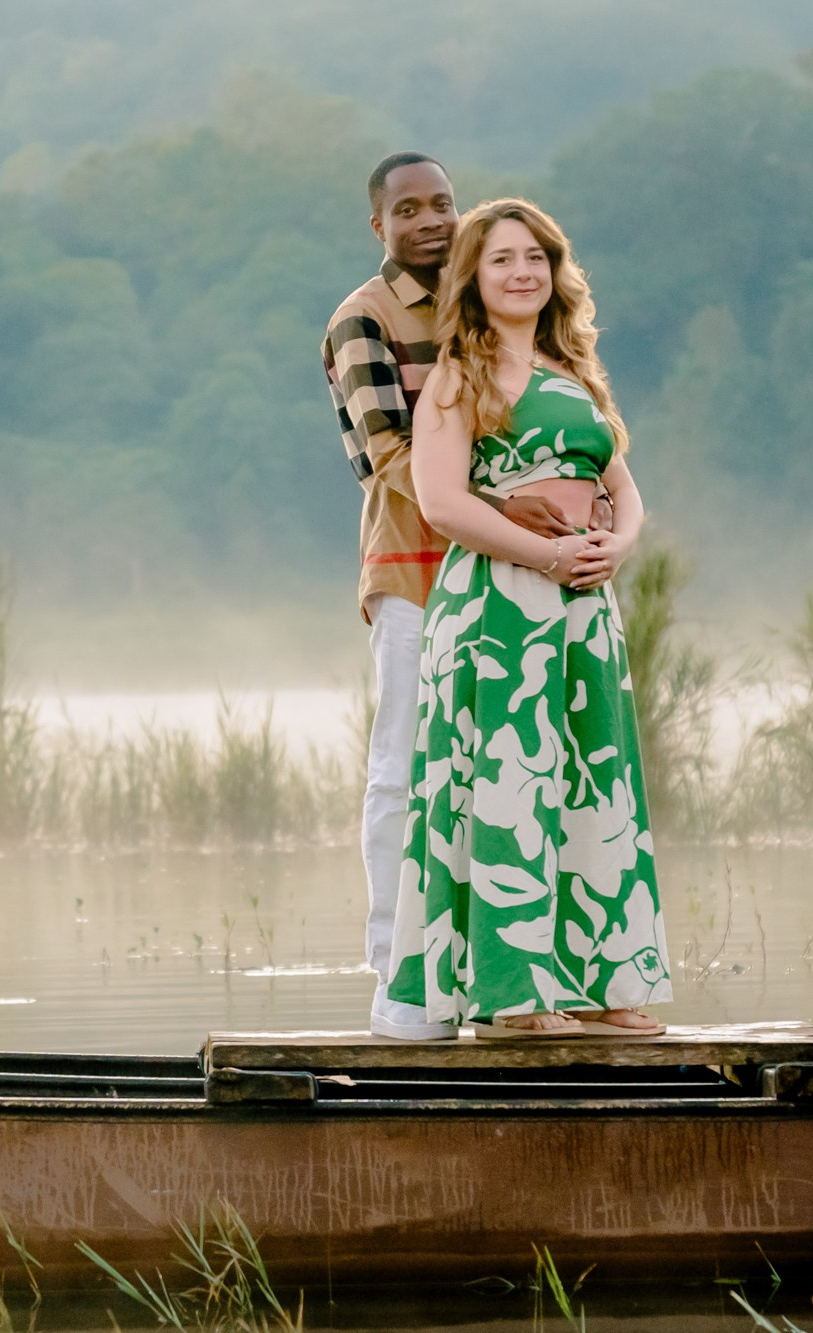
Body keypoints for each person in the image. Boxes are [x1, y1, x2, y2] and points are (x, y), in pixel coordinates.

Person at [375, 197, 671, 1040]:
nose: (523, 272)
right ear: (474, 275)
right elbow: (439, 502)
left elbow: (623, 484)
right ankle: (510, 998)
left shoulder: (573, 372)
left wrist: (620, 544)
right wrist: (541, 556)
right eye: (503, 258)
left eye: (537, 257)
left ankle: (601, 984)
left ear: (556, 273)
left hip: (584, 610)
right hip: (499, 613)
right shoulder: (454, 379)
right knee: (509, 790)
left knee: (594, 785)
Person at [321, 155, 578, 1036]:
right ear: (379, 226)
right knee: (402, 768)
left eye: (443, 203)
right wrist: (499, 501)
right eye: (409, 208)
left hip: (512, 577)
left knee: (497, 768)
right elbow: (390, 460)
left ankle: (492, 974)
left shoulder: (489, 308)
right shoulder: (365, 320)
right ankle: (398, 973)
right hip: (417, 569)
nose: (431, 220)